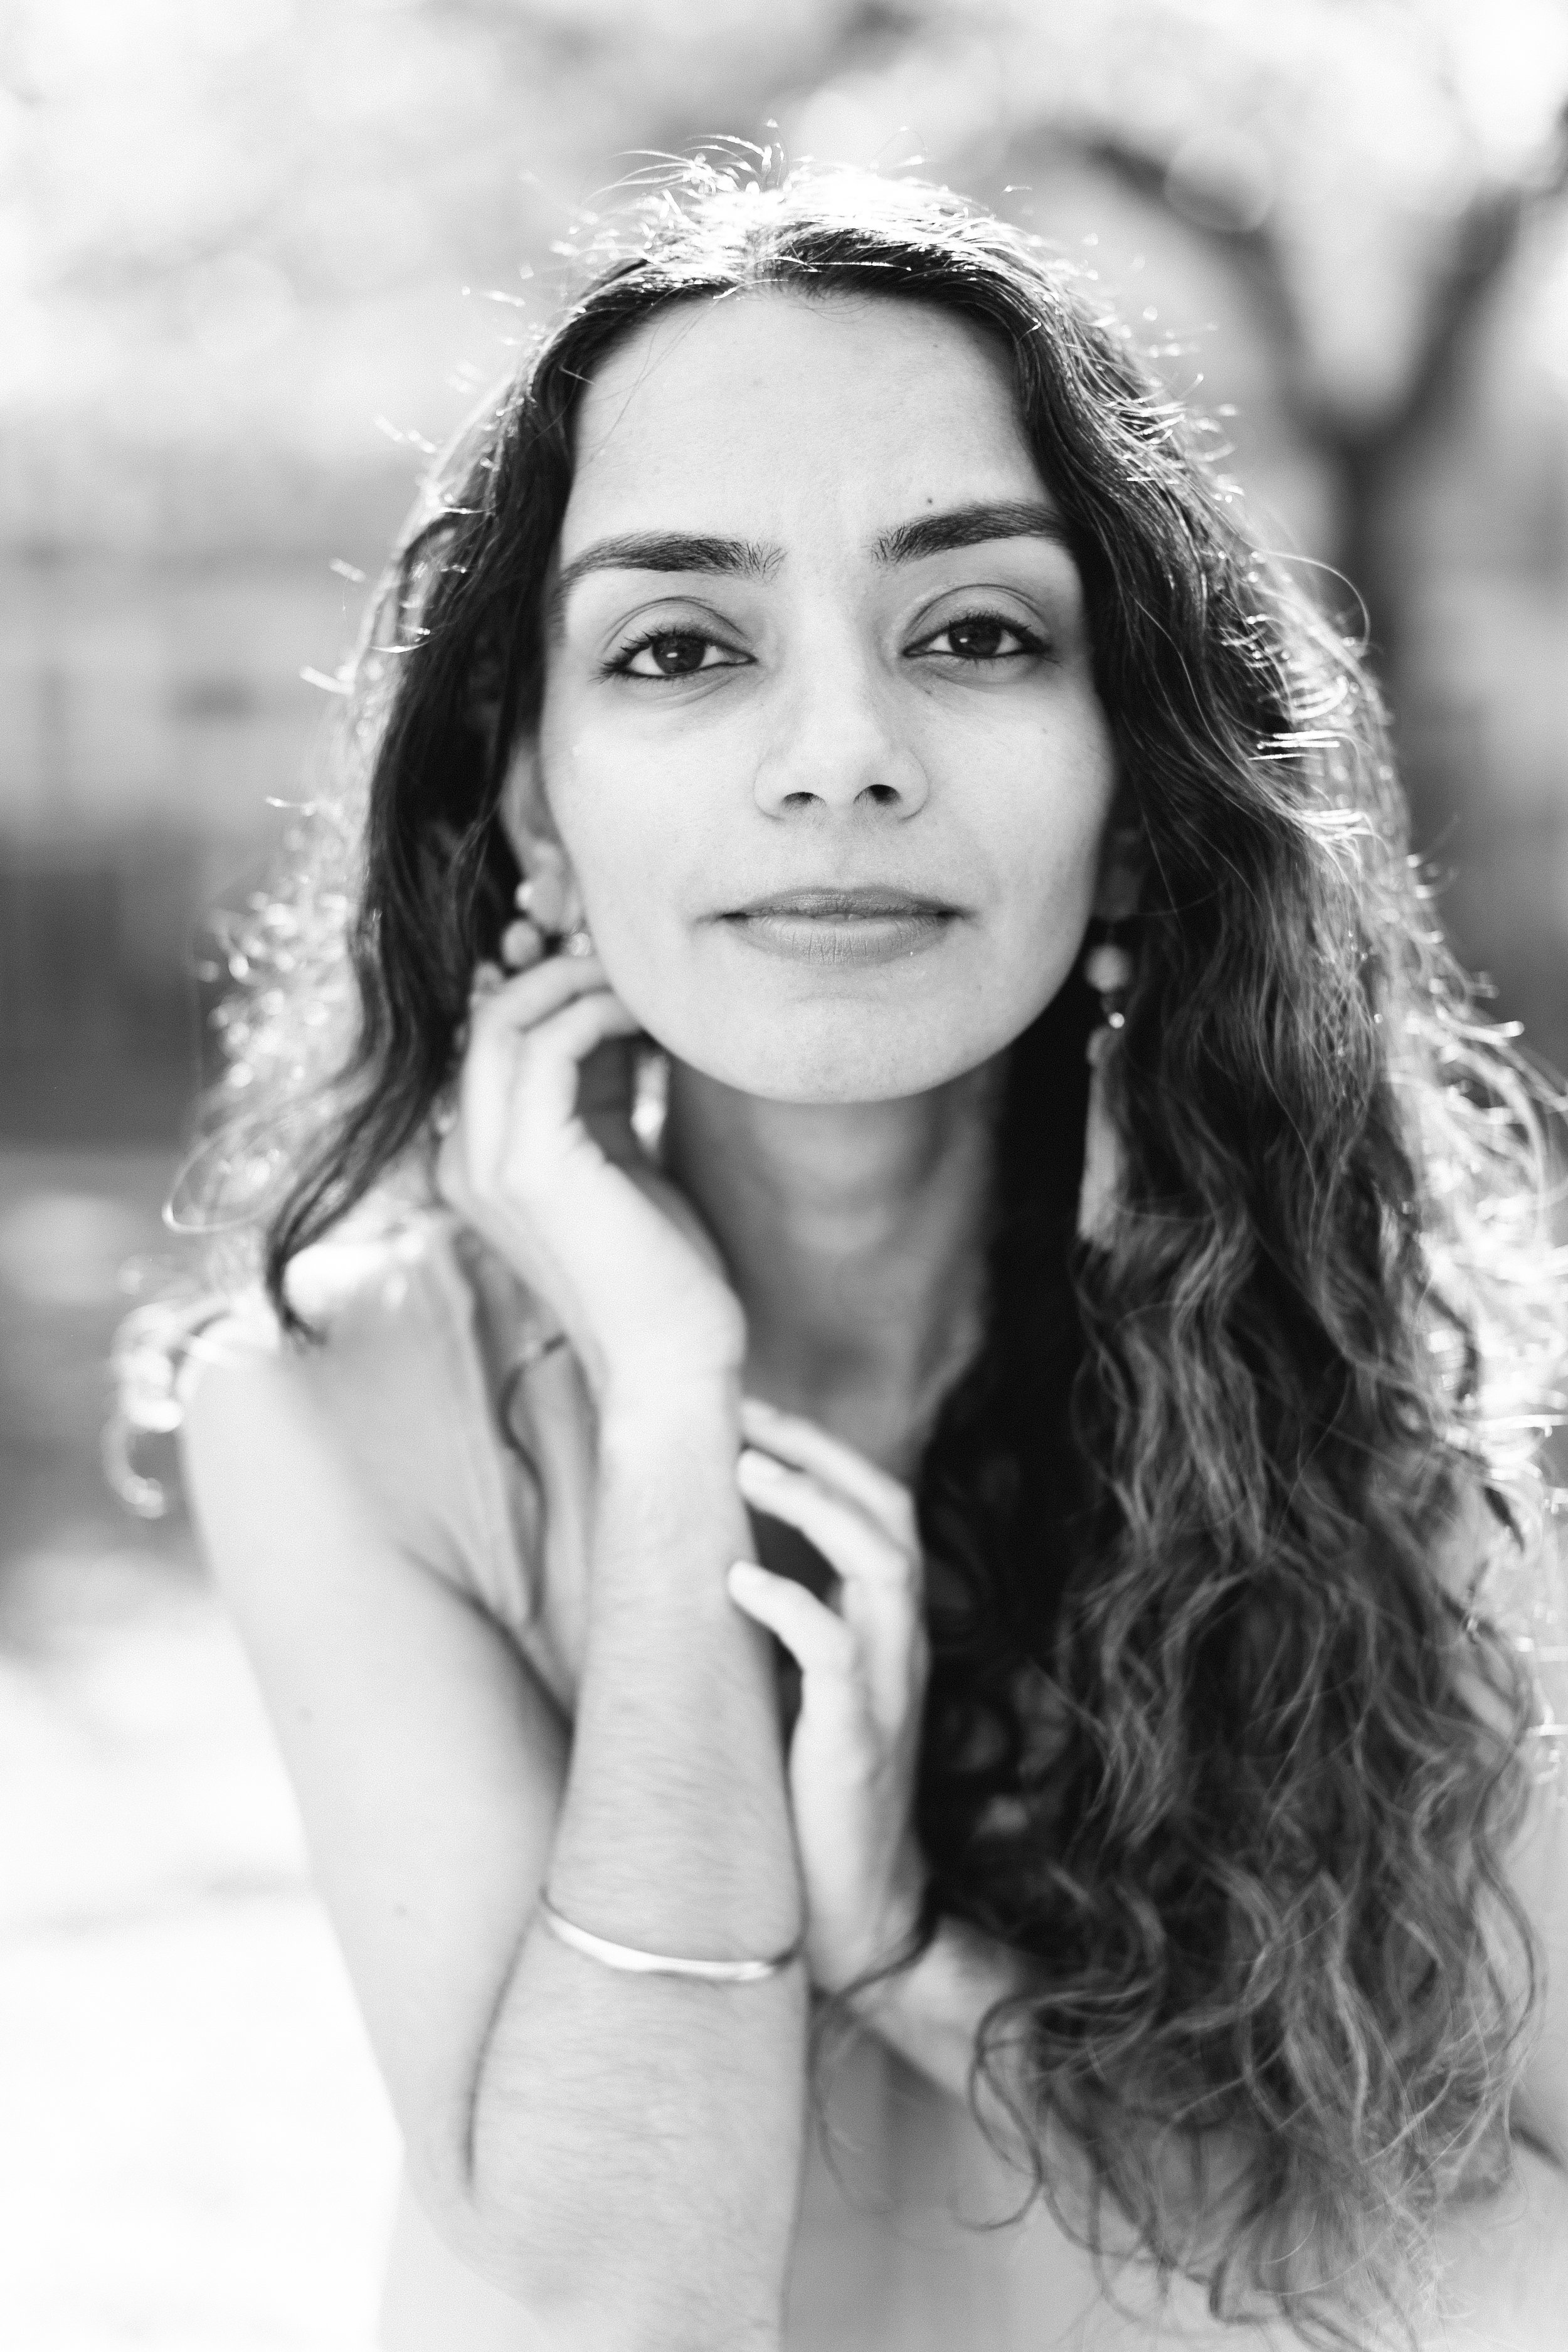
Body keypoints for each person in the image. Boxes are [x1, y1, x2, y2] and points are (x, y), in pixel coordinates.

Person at [148, 154, 1568, 2349]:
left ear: (1134, 786)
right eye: (682, 645)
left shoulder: (1416, 1401)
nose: (839, 758)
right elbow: (619, 2297)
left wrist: (912, 1951)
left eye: (978, 633)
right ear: (533, 795)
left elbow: (1516, 2286)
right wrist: (665, 1413)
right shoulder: (340, 1409)